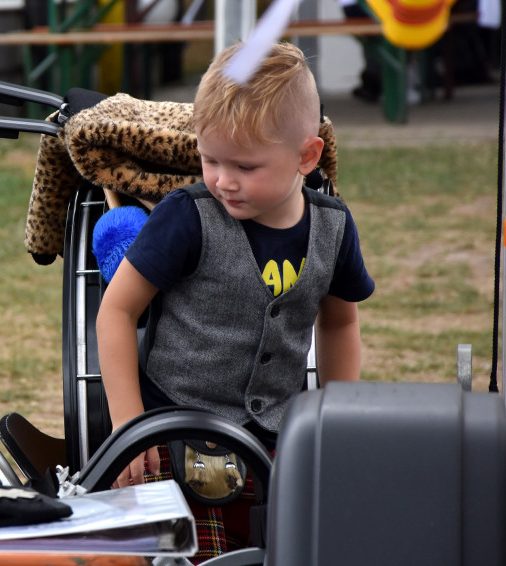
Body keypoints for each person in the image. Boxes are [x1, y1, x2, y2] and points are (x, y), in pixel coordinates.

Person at [96, 40, 375, 489]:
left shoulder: (334, 227)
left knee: (297, 530)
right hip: (173, 431)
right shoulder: (186, 217)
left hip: (281, 437)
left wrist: (337, 418)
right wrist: (128, 424)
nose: (224, 181)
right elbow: (117, 310)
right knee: (183, 537)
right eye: (210, 160)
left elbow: (340, 324)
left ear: (306, 156)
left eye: (245, 167)